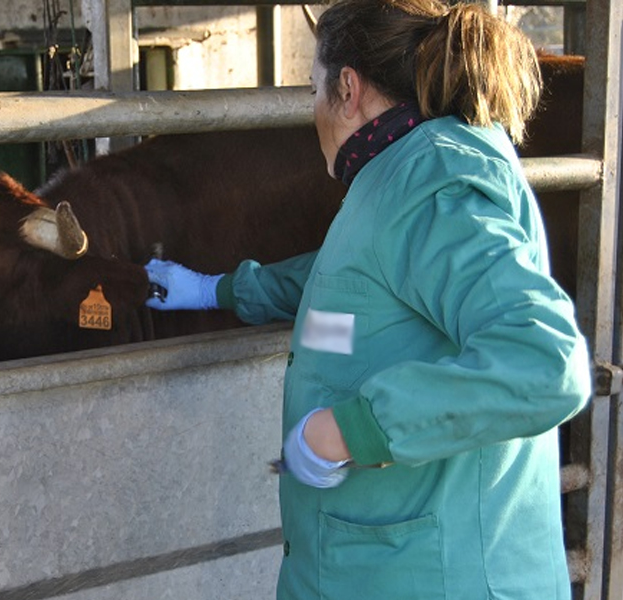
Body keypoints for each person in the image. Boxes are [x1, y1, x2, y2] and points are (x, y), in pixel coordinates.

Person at [144, 0, 592, 597]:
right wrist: (215, 289)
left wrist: (348, 430)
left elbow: (544, 363)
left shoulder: (431, 184)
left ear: (348, 89)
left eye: (313, 90)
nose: (312, 111)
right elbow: (351, 289)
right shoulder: (398, 172)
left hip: (438, 575)